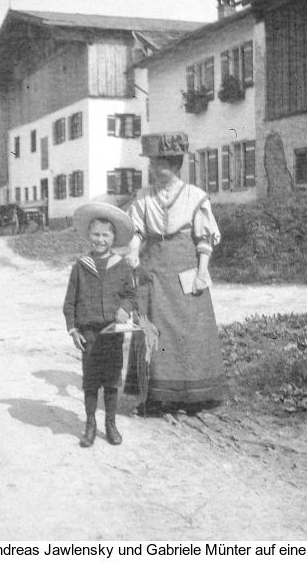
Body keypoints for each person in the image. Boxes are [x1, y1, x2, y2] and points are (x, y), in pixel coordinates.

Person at [125, 132, 226, 410]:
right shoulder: (144, 197)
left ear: (175, 164)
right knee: (152, 329)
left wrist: (202, 272)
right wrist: (133, 250)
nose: (153, 170)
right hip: (153, 270)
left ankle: (194, 394)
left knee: (189, 329)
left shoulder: (194, 196)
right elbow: (136, 230)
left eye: (159, 164)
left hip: (185, 269)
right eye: (151, 164)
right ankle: (155, 397)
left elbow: (204, 239)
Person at [63, 203, 137, 447]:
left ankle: (111, 424)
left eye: (106, 235)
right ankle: (90, 424)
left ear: (114, 237)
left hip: (112, 333)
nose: (101, 239)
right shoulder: (81, 266)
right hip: (89, 333)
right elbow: (70, 302)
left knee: (112, 380)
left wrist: (124, 309)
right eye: (96, 234)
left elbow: (131, 295)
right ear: (89, 236)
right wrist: (73, 328)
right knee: (91, 380)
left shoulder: (122, 266)